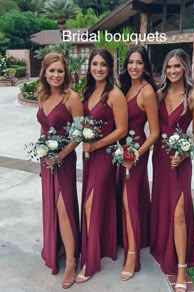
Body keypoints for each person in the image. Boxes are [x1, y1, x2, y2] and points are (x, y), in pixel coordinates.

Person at [150, 49, 194, 292]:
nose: (172, 71)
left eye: (177, 67)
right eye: (168, 67)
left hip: (181, 161)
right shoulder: (160, 94)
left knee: (179, 212)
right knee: (164, 205)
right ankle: (163, 246)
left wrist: (183, 154)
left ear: (185, 68)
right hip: (160, 158)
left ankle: (182, 267)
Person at [75, 48, 128, 283]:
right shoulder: (85, 91)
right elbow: (78, 120)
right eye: (94, 64)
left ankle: (90, 260)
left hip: (105, 155)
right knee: (94, 202)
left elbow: (122, 130)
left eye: (103, 65)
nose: (98, 69)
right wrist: (81, 133)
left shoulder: (115, 94)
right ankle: (98, 244)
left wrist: (96, 145)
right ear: (90, 66)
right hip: (88, 156)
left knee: (90, 205)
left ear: (110, 68)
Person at [37, 52, 83, 289]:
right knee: (52, 207)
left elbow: (78, 133)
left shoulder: (71, 98)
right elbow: (43, 130)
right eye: (51, 70)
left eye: (60, 71)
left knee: (63, 208)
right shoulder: (42, 95)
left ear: (65, 74)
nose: (56, 75)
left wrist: (61, 155)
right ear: (44, 72)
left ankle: (72, 261)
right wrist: (42, 155)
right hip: (47, 161)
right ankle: (62, 245)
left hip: (64, 160)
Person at [118, 46, 159, 280]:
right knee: (123, 199)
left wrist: (136, 156)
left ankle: (133, 255)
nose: (134, 67)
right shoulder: (123, 87)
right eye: (131, 62)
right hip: (119, 150)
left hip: (137, 151)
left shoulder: (147, 92)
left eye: (139, 62)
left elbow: (154, 133)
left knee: (129, 201)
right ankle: (126, 240)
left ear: (145, 66)